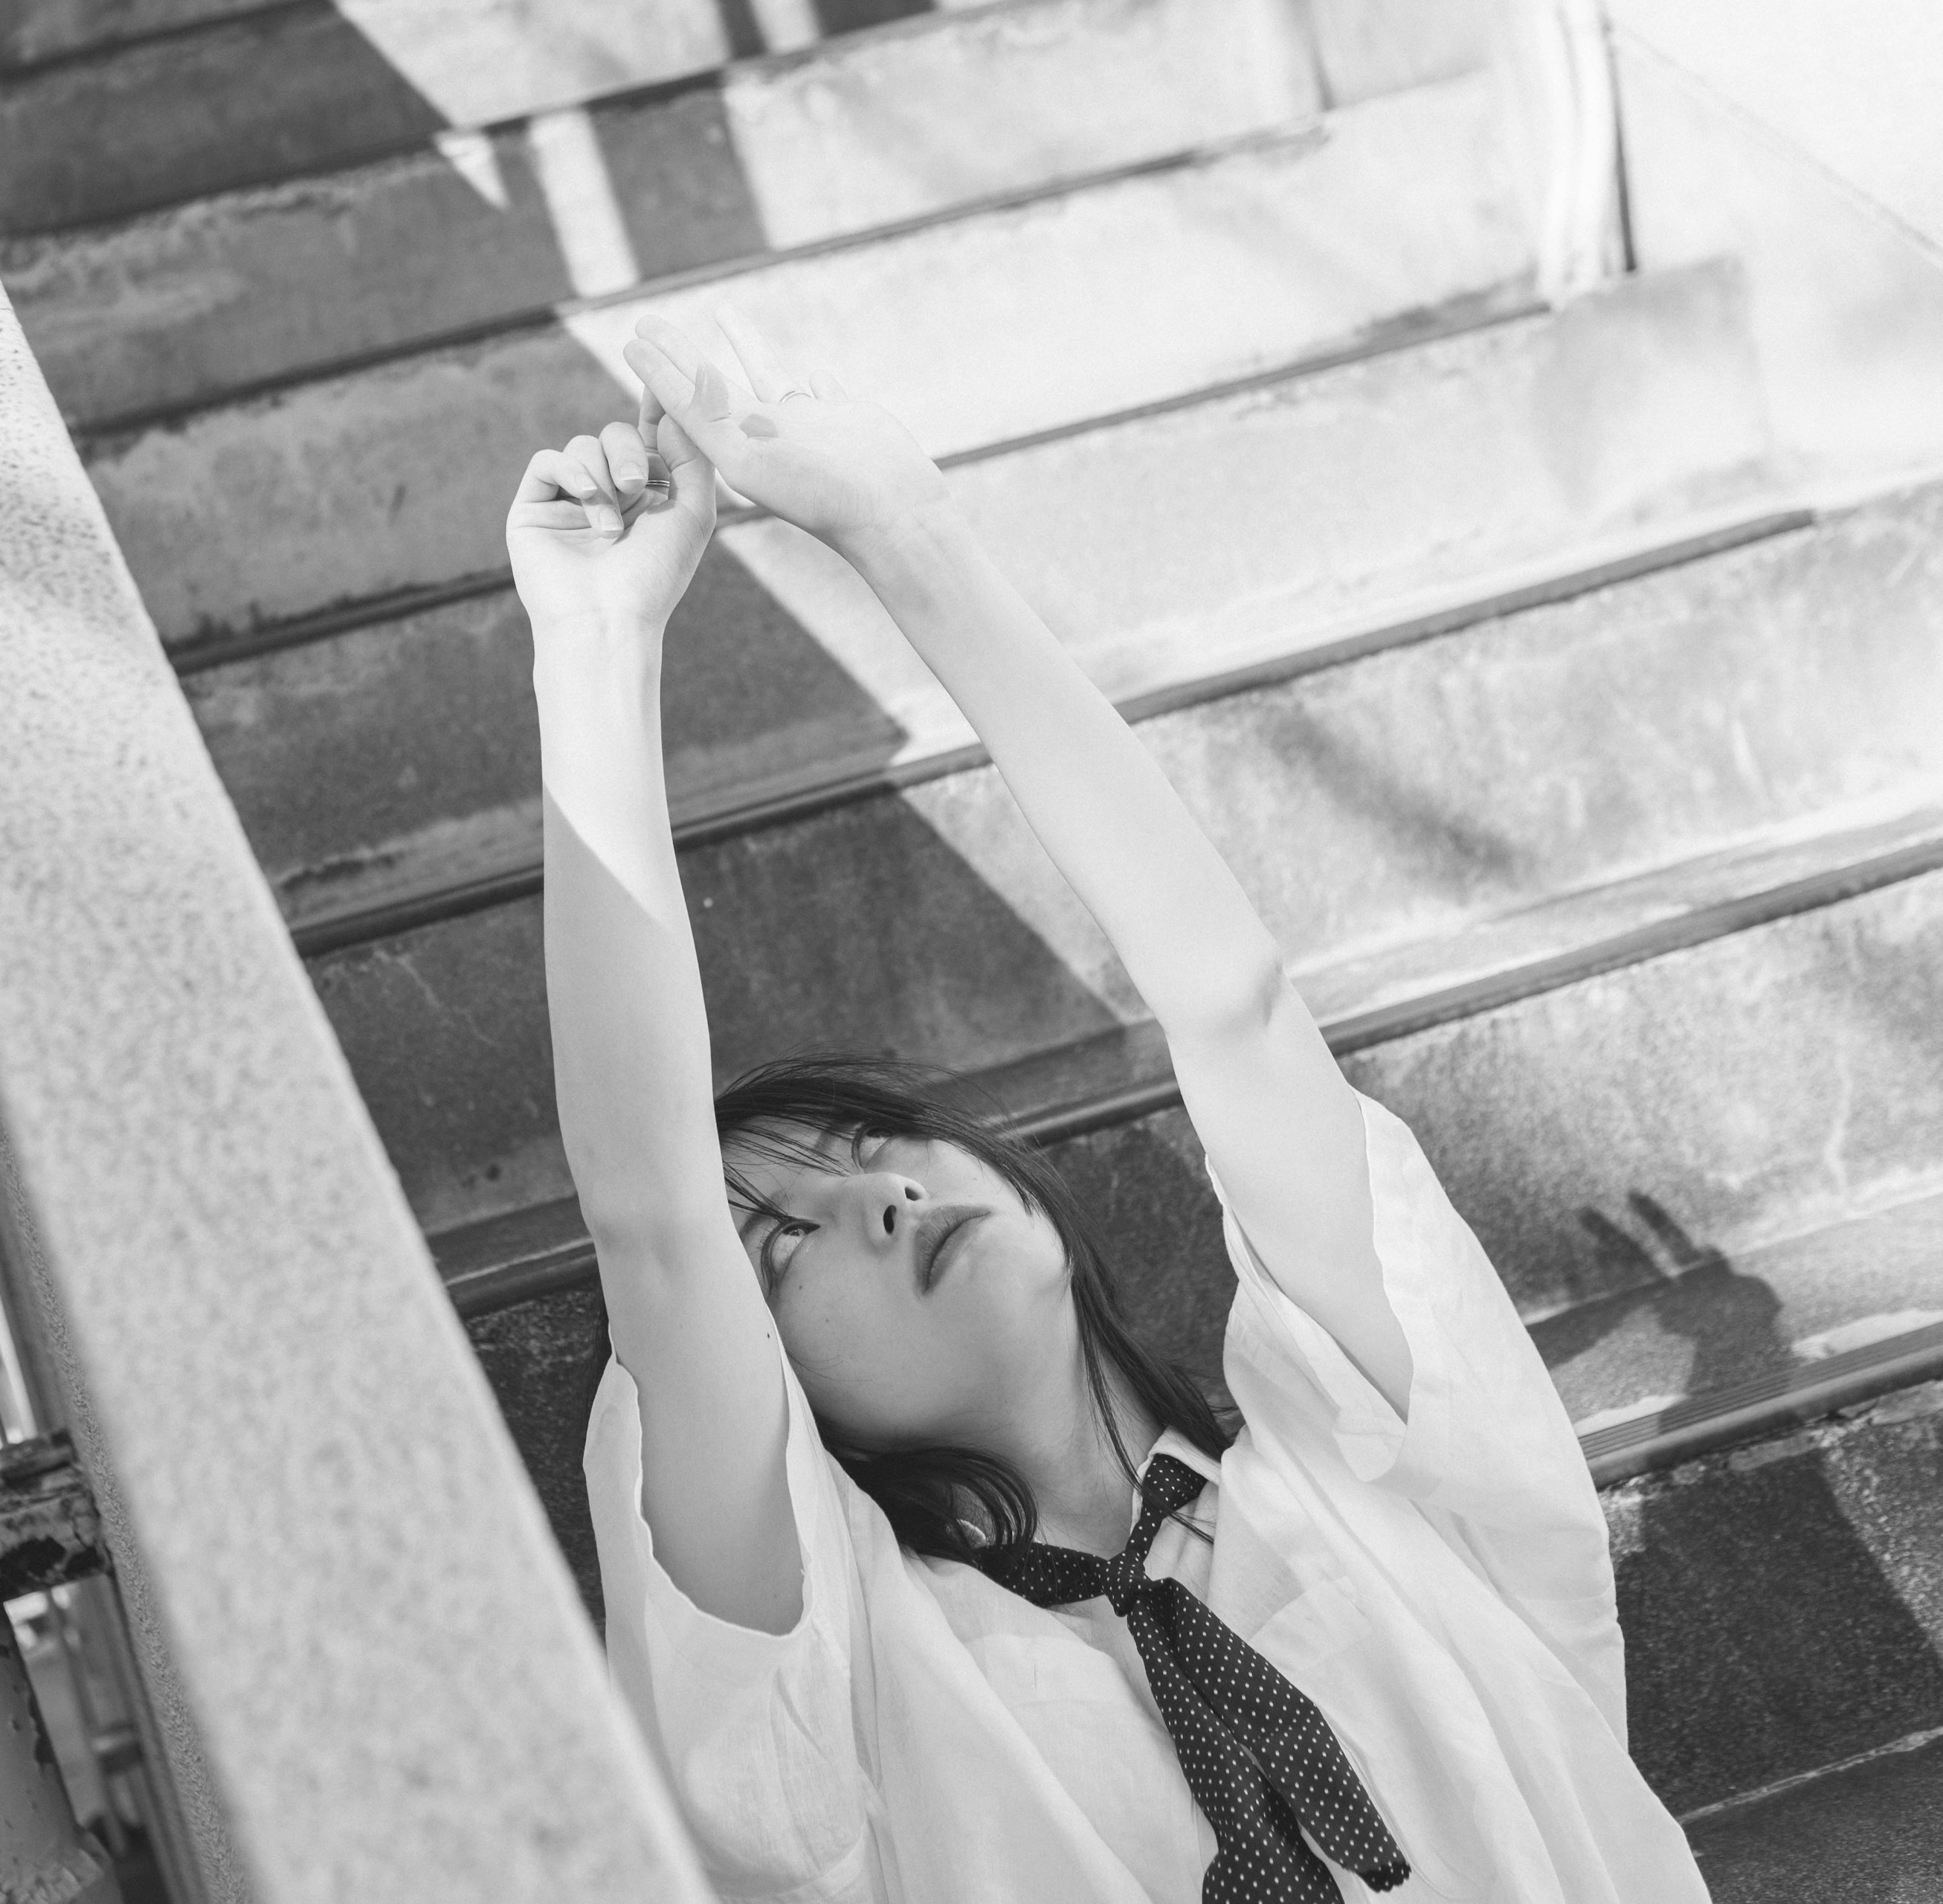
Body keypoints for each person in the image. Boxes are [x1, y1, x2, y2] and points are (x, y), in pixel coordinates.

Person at [509, 310, 1709, 1902]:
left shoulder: (1385, 1473)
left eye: (878, 1151)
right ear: (788, 1404)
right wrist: (597, 646)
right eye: (787, 1253)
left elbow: (1234, 1001)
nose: (878, 1203)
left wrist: (905, 529)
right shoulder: (851, 1700)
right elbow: (654, 1224)